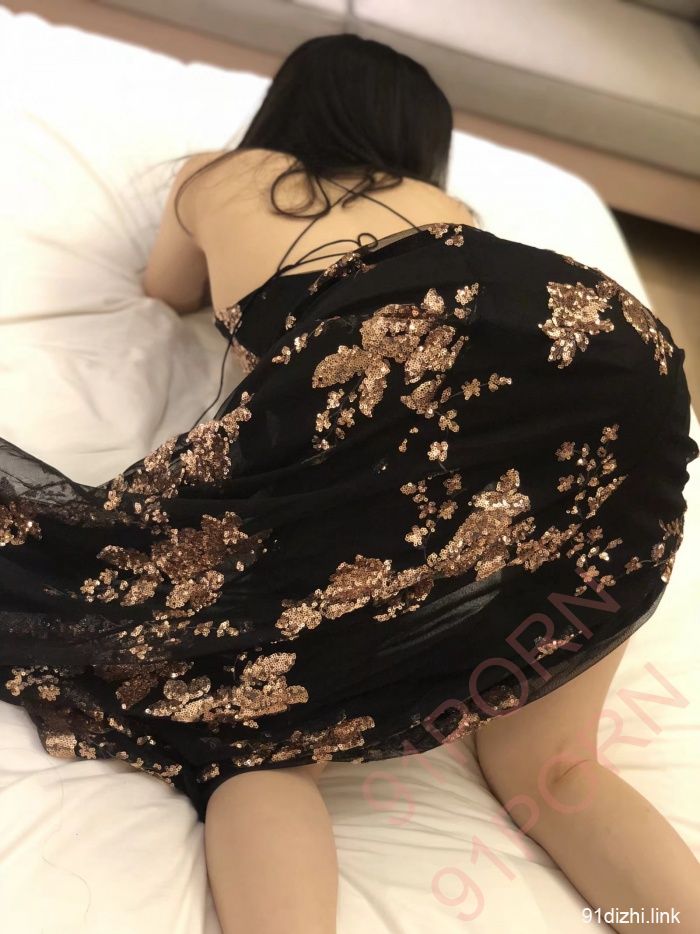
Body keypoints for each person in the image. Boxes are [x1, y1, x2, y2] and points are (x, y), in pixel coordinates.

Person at [1, 32, 698, 934]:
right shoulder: (450, 207)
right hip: (621, 359)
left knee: (257, 734)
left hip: (402, 350)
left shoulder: (221, 175)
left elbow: (166, 289)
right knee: (557, 770)